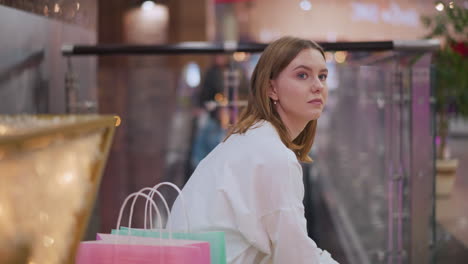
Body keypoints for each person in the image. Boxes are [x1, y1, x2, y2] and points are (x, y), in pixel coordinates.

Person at [168, 36, 338, 264]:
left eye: (322, 76)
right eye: (302, 75)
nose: (318, 86)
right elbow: (295, 257)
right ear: (271, 88)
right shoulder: (273, 155)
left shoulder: (252, 138)